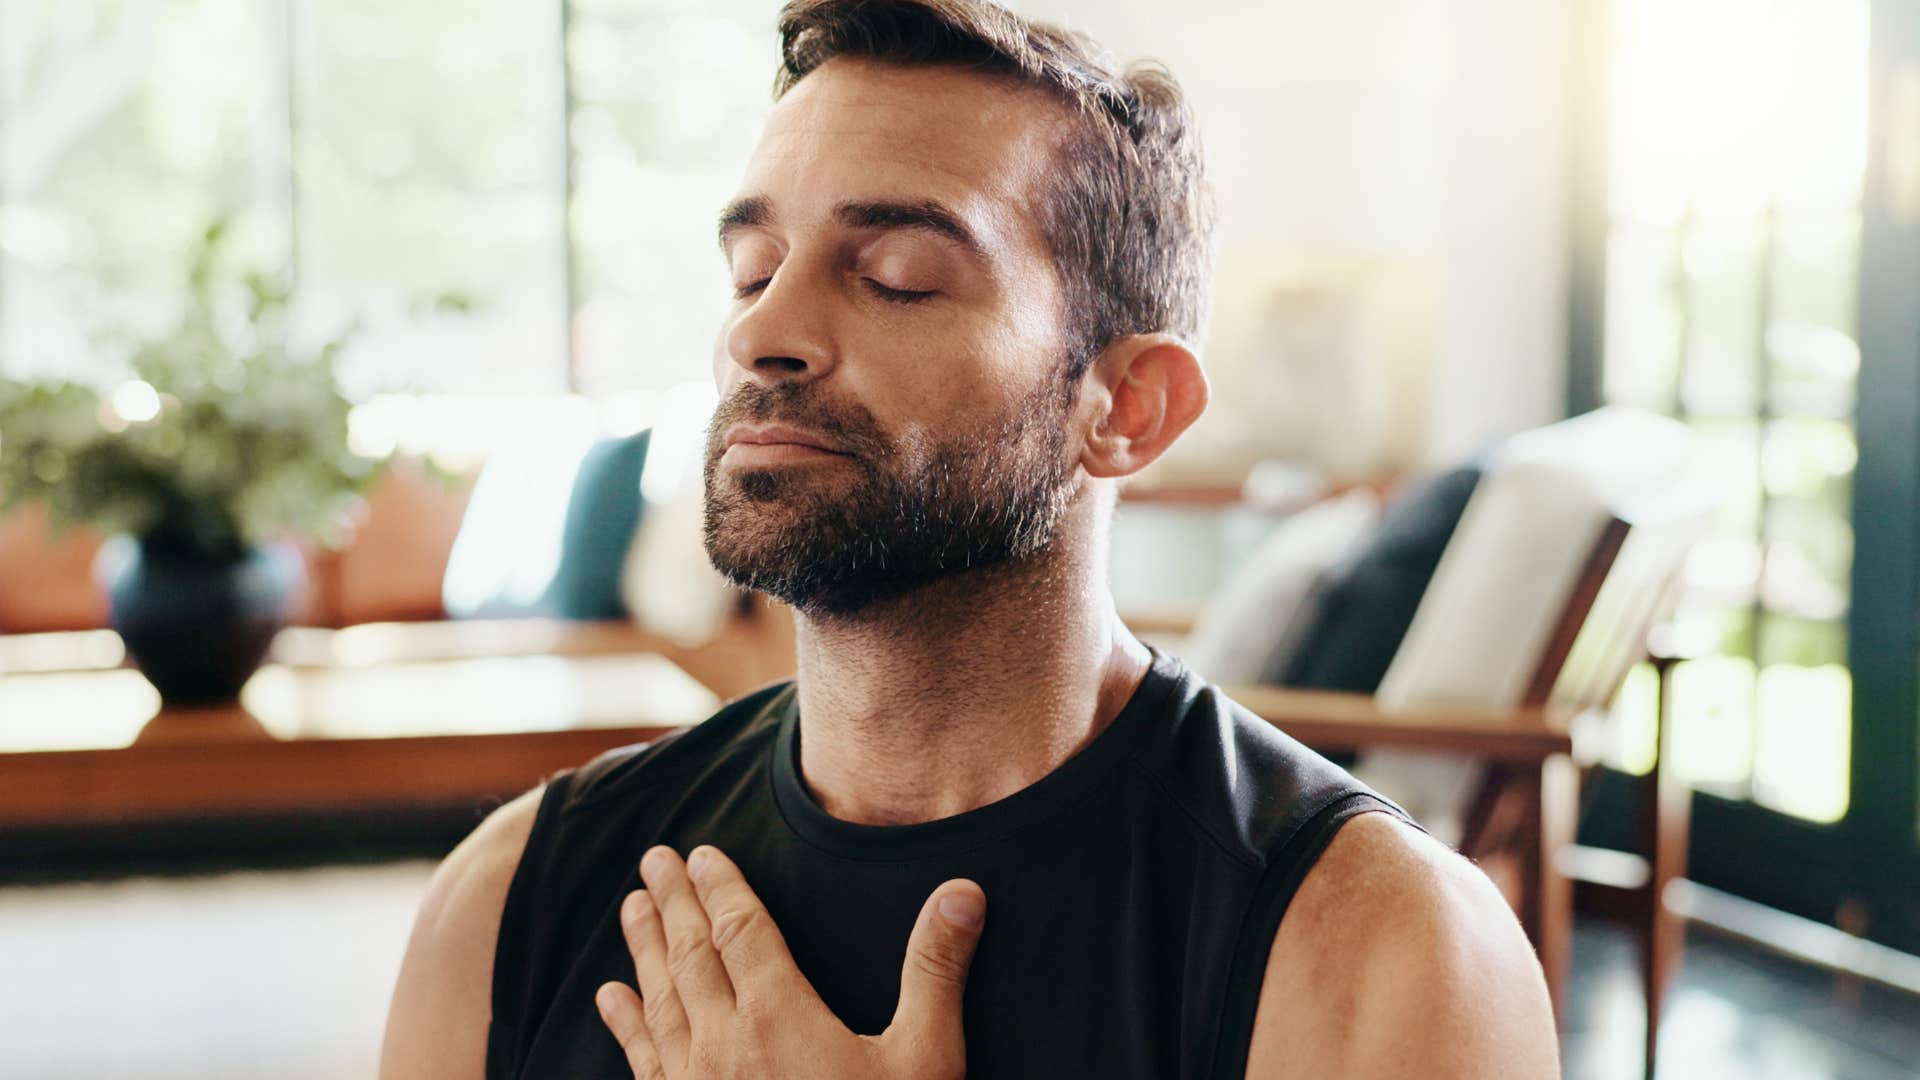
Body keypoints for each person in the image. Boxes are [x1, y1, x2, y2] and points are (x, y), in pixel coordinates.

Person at [380, 1, 1561, 1076]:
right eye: (752, 270)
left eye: (895, 276)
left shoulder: (1386, 955)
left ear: (1127, 408)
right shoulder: (508, 899)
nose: (765, 332)